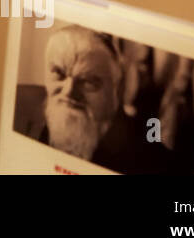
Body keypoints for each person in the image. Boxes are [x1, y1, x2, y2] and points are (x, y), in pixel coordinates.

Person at [13, 25, 176, 174]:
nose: (68, 91)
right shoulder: (16, 112)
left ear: (116, 90)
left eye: (88, 82)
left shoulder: (153, 162)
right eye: (59, 73)